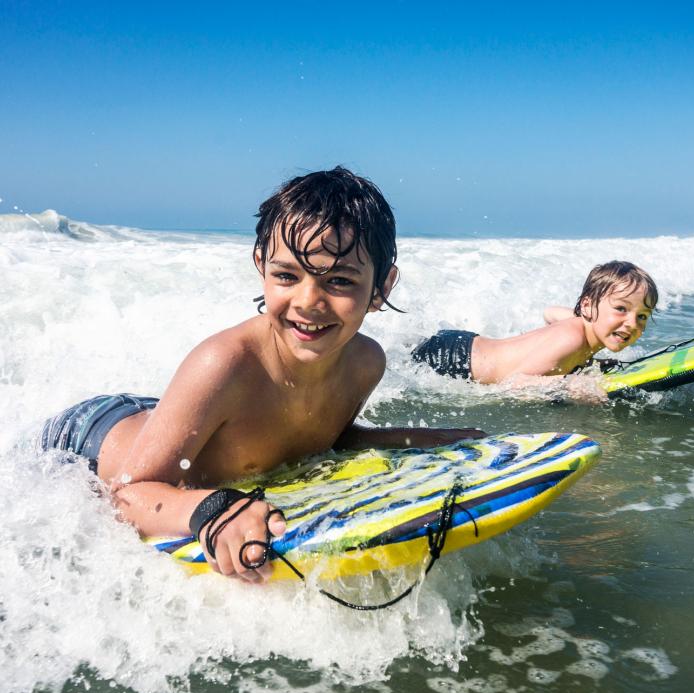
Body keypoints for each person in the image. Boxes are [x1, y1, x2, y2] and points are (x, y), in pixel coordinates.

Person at [40, 167, 485, 583]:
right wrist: (212, 511)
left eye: (340, 282)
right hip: (87, 440)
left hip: (176, 421)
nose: (308, 302)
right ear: (261, 266)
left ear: (382, 287)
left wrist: (414, 442)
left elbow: (316, 438)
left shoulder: (366, 363)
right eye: (287, 275)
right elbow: (124, 496)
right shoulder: (225, 363)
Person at [412, 260, 658, 389]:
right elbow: (514, 384)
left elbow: (549, 313)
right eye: (621, 309)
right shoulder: (571, 339)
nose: (631, 323)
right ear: (587, 306)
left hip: (464, 342)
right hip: (453, 359)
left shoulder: (581, 327)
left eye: (642, 316)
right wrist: (571, 383)